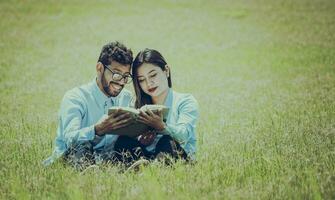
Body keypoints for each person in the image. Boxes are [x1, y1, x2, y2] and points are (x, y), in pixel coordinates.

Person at [43, 41, 136, 170]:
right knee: (81, 144)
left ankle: (134, 171)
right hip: (74, 156)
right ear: (99, 68)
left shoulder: (126, 97)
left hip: (108, 159)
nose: (121, 81)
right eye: (116, 73)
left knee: (128, 142)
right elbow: (69, 138)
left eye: (126, 76)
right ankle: (88, 173)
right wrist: (97, 130)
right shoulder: (75, 97)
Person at [132, 48, 199, 162]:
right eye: (142, 80)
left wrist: (162, 127)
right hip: (148, 156)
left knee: (167, 140)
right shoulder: (140, 105)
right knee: (123, 141)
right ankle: (141, 168)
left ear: (166, 71)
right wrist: (141, 139)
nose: (148, 83)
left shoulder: (185, 101)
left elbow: (184, 136)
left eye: (153, 75)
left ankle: (154, 168)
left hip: (178, 156)